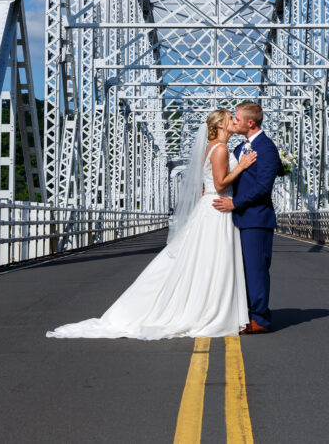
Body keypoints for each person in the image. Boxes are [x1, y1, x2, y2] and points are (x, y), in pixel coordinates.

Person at [46, 108, 256, 339]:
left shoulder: (213, 147)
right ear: (221, 125)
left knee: (205, 262)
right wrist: (242, 166)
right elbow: (219, 182)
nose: (235, 122)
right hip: (218, 209)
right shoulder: (220, 149)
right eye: (230, 119)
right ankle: (209, 309)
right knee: (212, 261)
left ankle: (207, 305)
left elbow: (208, 184)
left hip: (212, 207)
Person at [212, 102, 279, 334]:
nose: (234, 122)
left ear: (251, 122)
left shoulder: (267, 148)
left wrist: (235, 203)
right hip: (239, 218)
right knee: (242, 270)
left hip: (256, 219)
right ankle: (245, 314)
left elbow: (263, 187)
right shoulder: (241, 147)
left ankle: (260, 318)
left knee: (256, 269)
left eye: (237, 118)